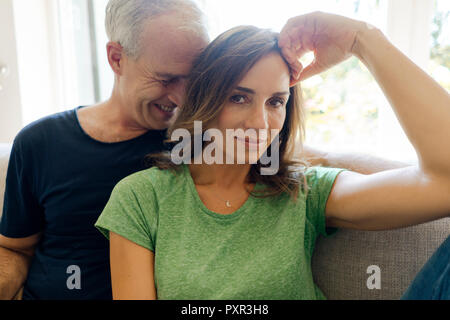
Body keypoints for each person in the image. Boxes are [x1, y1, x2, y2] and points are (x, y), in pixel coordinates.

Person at [0, 1, 407, 300]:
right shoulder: (40, 143)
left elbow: (281, 150)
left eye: (194, 80)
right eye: (166, 78)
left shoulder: (206, 136)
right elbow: (15, 248)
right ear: (116, 58)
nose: (182, 97)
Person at [95, 15, 450, 300]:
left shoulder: (304, 192)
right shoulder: (141, 199)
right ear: (206, 99)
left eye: (275, 102)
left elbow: (444, 183)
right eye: (239, 97)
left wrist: (363, 38)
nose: (260, 123)